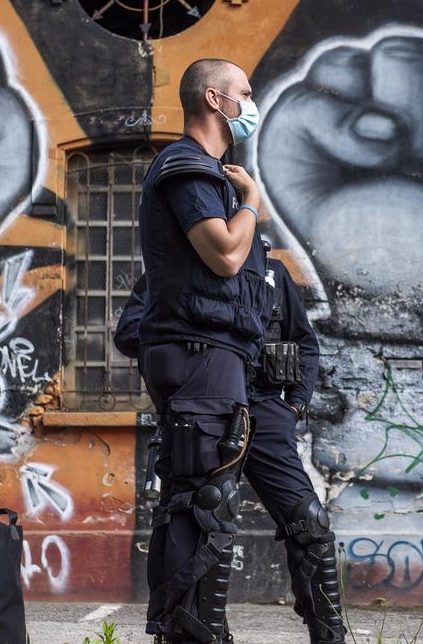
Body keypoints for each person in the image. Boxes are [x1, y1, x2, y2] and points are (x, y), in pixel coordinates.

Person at [115, 240, 345, 643]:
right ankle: (201, 634)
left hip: (265, 409)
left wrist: (294, 407)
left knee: (310, 520)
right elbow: (131, 333)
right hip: (205, 406)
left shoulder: (271, 273)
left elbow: (304, 342)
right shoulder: (168, 270)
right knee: (201, 518)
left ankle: (330, 635)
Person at [132, 58, 273, 644]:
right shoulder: (189, 166)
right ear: (215, 100)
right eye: (244, 92)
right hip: (196, 353)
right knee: (203, 501)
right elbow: (225, 255)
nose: (251, 101)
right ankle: (194, 635)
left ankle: (187, 631)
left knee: (193, 498)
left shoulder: (204, 169)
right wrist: (250, 203)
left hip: (204, 353)